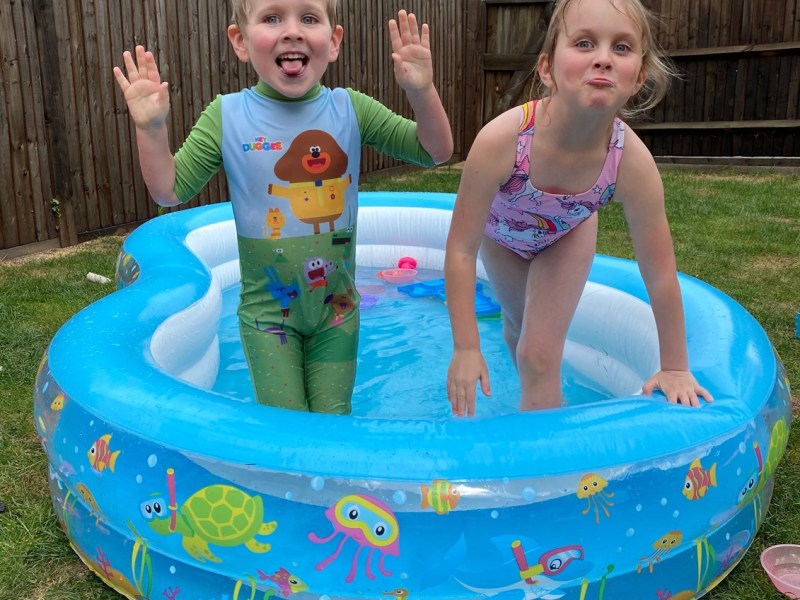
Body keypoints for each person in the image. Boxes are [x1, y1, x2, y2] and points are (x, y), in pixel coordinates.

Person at [113, 1, 453, 414]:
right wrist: (151, 128)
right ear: (240, 41)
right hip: (267, 318)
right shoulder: (228, 116)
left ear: (333, 42)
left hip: (338, 313)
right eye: (272, 18)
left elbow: (434, 151)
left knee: (332, 424)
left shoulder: (351, 109)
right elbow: (169, 190)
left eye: (309, 18)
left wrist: (421, 92)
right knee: (285, 429)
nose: (292, 31)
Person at [444, 0, 712, 416]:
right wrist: (465, 346)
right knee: (516, 328)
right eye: (585, 43)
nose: (603, 58)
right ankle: (542, 395)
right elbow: (461, 249)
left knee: (538, 354)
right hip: (502, 238)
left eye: (621, 48)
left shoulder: (630, 162)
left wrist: (675, 366)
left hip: (568, 235)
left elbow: (659, 274)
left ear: (639, 76)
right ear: (547, 68)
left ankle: (541, 467)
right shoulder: (503, 140)